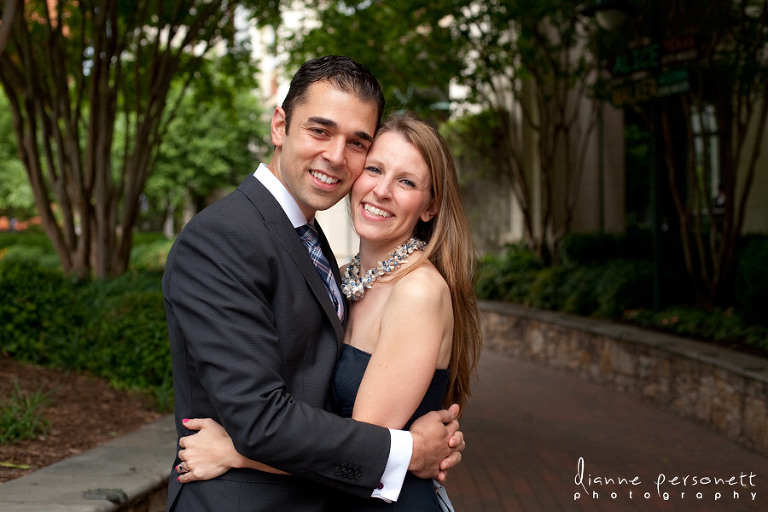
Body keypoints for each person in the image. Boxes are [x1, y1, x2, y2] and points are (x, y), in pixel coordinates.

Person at [162, 56, 465, 512]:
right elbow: (262, 419)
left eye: (357, 142)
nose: (337, 156)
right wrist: (406, 451)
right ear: (280, 125)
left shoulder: (310, 237)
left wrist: (236, 449)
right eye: (320, 131)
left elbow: (320, 391)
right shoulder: (222, 238)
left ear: (429, 205)